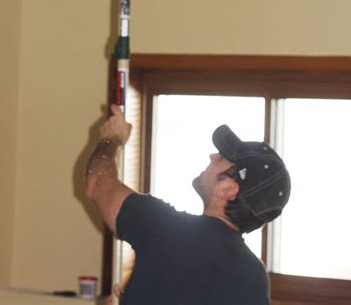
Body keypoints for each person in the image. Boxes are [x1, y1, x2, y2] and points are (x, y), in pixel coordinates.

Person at [86, 104, 291, 304]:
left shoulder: (166, 229)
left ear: (227, 190)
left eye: (223, 158)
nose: (213, 155)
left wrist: (111, 139)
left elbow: (98, 182)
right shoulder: (255, 277)